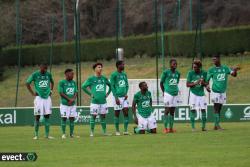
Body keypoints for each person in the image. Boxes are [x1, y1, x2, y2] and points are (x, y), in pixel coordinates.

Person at [207, 54, 238, 130]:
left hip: (223, 91)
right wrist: (207, 86)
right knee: (216, 107)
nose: (213, 61)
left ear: (219, 59)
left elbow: (234, 75)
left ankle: (215, 125)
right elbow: (207, 79)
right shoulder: (211, 69)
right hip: (215, 91)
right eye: (213, 60)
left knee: (219, 108)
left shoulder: (225, 68)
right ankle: (217, 125)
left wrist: (235, 70)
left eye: (215, 59)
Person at [82, 63, 112, 137]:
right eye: (99, 67)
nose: (100, 68)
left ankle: (104, 132)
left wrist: (107, 93)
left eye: (101, 67)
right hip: (95, 102)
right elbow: (83, 87)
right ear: (95, 69)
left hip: (103, 102)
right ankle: (91, 132)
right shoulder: (91, 79)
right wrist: (90, 94)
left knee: (103, 117)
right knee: (93, 117)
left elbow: (110, 86)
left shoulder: (104, 78)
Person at [26, 63, 54, 140]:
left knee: (47, 116)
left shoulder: (48, 74)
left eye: (46, 69)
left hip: (47, 98)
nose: (45, 70)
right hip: (38, 98)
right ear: (40, 67)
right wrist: (32, 93)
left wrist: (51, 91)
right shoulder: (35, 74)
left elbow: (52, 82)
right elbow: (27, 83)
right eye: (43, 68)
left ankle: (47, 135)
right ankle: (36, 135)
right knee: (37, 117)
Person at [186, 60, 210, 131]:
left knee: (203, 110)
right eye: (193, 67)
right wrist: (195, 83)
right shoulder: (190, 73)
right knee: (193, 110)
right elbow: (187, 84)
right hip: (193, 94)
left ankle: (203, 127)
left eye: (195, 67)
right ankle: (193, 127)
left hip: (201, 94)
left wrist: (206, 85)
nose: (194, 68)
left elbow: (206, 83)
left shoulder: (204, 73)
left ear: (199, 67)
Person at [160, 59, 181, 133]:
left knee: (172, 111)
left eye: (176, 64)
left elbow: (176, 82)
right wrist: (164, 92)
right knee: (167, 110)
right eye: (173, 64)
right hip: (168, 93)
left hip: (175, 94)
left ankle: (171, 128)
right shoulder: (166, 72)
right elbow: (161, 83)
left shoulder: (178, 73)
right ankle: (165, 128)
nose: (175, 65)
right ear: (170, 64)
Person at [110, 60, 130, 136]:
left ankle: (125, 130)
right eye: (123, 65)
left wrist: (126, 93)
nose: (124, 66)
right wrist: (116, 97)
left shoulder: (124, 74)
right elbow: (112, 86)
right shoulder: (113, 75)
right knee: (117, 113)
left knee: (126, 112)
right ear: (118, 66)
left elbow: (127, 85)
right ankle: (117, 131)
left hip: (124, 98)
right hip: (117, 97)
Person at [58, 69, 78, 139]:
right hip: (64, 104)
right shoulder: (62, 82)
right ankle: (63, 134)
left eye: (73, 74)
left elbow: (76, 92)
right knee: (64, 118)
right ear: (66, 74)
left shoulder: (74, 82)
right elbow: (61, 92)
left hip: (72, 104)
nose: (73, 75)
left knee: (72, 119)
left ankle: (71, 134)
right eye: (71, 74)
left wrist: (73, 99)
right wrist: (69, 99)